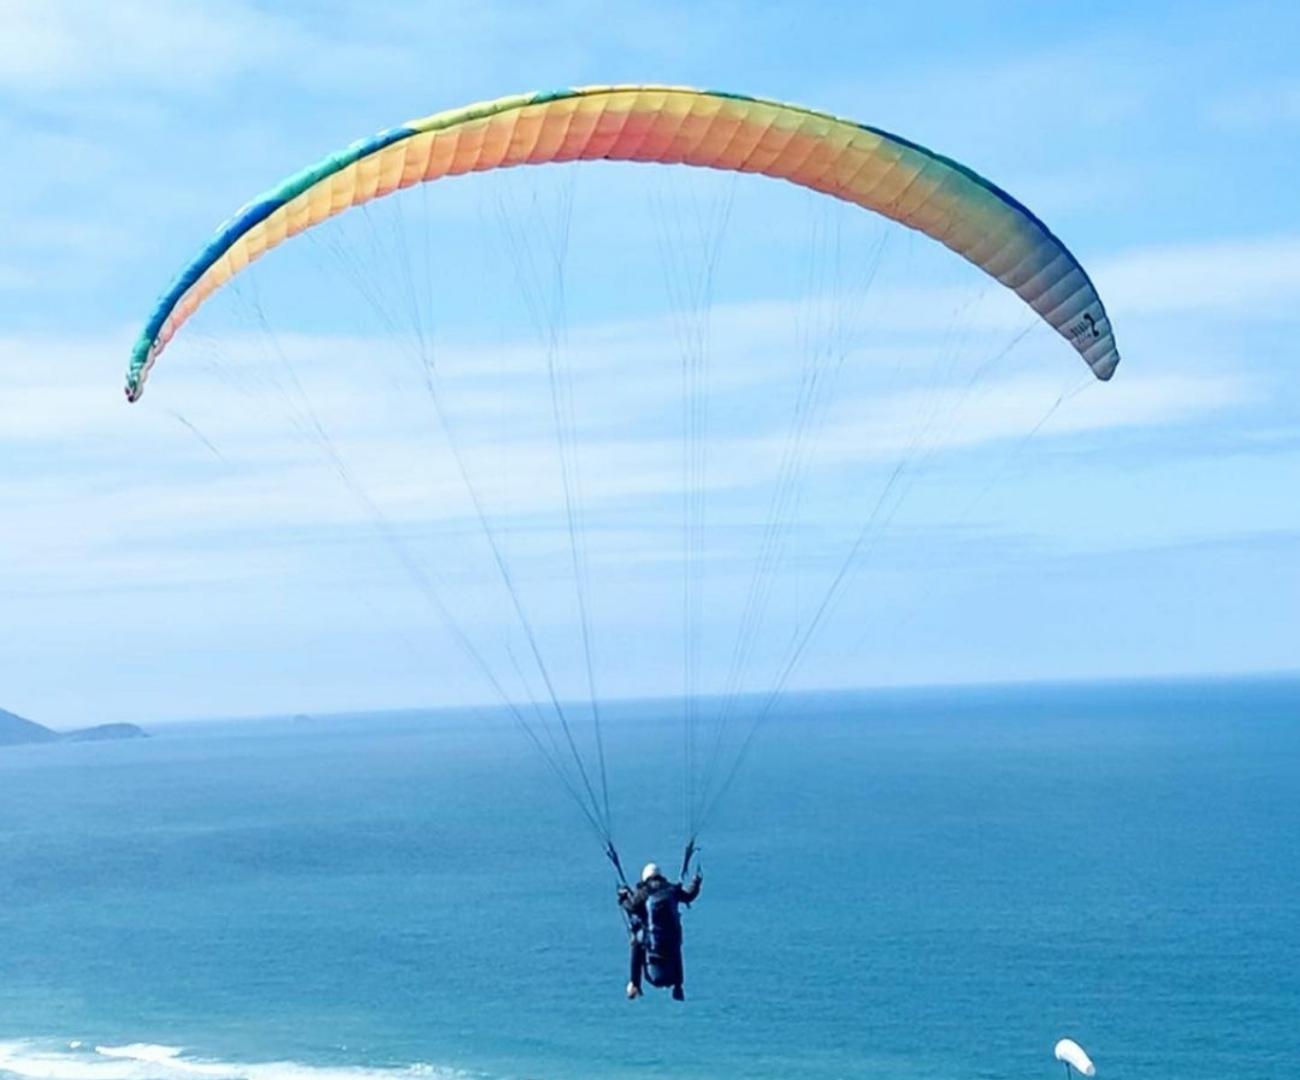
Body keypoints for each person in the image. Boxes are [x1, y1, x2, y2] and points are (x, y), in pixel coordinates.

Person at [617, 861, 703, 1001]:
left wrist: (622, 898)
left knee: (636, 942)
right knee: (676, 945)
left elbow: (631, 907)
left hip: (651, 941)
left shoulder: (643, 892)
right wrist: (696, 881)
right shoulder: (672, 890)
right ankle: (678, 987)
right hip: (671, 941)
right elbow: (689, 896)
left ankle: (635, 984)